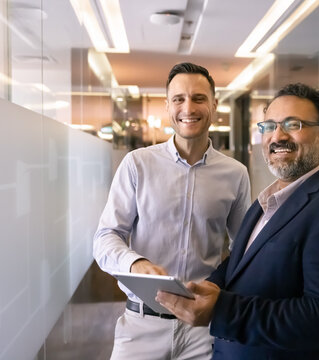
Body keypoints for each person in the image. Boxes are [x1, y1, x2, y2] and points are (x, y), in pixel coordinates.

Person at [157, 83, 319, 359]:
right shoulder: (270, 199)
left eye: (293, 124)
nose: (278, 136)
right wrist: (213, 285)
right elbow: (243, 260)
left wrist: (222, 309)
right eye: (269, 126)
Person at [93, 62, 251, 360]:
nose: (188, 107)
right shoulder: (137, 164)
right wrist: (135, 263)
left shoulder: (235, 173)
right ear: (167, 106)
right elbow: (105, 238)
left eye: (199, 98)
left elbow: (244, 250)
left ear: (214, 105)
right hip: (141, 326)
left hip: (203, 331)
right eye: (178, 99)